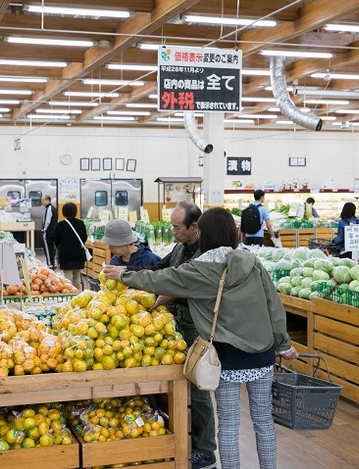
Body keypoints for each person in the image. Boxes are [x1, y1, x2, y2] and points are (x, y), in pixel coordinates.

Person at [103, 207, 298, 469]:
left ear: (203, 233)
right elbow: (274, 305)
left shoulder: (202, 268)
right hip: (262, 353)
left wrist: (124, 275)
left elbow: (163, 279)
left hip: (227, 356)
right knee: (263, 420)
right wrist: (284, 345)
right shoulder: (252, 262)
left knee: (228, 423)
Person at [104, 201, 217, 469]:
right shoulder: (179, 247)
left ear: (194, 227)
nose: (172, 230)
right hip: (173, 323)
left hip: (197, 326)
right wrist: (127, 276)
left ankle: (206, 449)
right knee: (168, 383)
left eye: (176, 227)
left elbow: (179, 282)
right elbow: (159, 272)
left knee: (198, 387)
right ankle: (175, 434)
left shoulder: (205, 255)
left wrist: (137, 280)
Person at [53, 202, 88, 291]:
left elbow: (56, 240)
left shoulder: (61, 225)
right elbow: (84, 238)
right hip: (79, 254)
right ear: (75, 212)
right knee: (76, 277)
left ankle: (69, 295)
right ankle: (76, 295)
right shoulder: (81, 223)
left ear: (64, 212)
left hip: (66, 255)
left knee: (68, 277)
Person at [41, 195, 58, 268]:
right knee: (51, 248)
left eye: (42, 200)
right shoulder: (51, 208)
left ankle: (50, 264)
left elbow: (47, 221)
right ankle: (52, 263)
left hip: (48, 232)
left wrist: (44, 230)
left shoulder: (49, 209)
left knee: (47, 248)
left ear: (47, 200)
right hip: (53, 231)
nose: (41, 202)